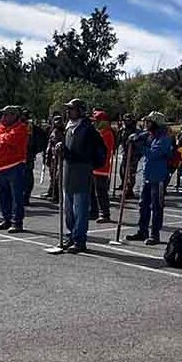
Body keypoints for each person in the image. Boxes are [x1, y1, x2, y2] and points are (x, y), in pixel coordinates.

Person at [56, 98, 106, 254]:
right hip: (68, 170)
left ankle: (79, 239)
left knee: (80, 208)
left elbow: (91, 153)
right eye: (68, 109)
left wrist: (69, 153)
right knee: (68, 208)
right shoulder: (68, 127)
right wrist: (61, 148)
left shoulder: (88, 130)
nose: (68, 112)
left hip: (81, 171)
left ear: (80, 111)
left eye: (72, 109)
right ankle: (71, 235)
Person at [125, 112, 174, 245]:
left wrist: (139, 146)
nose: (146, 125)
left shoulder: (164, 138)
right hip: (147, 175)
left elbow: (153, 154)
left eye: (149, 122)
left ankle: (155, 234)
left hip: (158, 177)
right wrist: (134, 137)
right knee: (143, 204)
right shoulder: (150, 135)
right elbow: (141, 135)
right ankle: (142, 231)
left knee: (156, 206)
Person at [0, 106, 29, 233]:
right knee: (3, 195)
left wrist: (0, 139)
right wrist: (1, 139)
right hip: (1, 167)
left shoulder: (21, 128)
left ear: (14, 116)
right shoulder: (0, 128)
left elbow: (10, 140)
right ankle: (6, 219)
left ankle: (17, 222)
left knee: (16, 196)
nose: (3, 118)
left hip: (15, 166)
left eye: (6, 115)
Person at [89, 110, 116, 224]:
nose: (95, 123)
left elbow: (101, 150)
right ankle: (94, 211)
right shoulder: (100, 133)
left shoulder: (107, 134)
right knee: (93, 191)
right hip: (94, 166)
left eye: (97, 121)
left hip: (102, 167)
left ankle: (105, 213)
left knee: (101, 192)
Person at [22, 109, 47, 206]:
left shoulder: (30, 128)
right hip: (21, 154)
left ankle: (26, 195)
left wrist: (34, 151)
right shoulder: (20, 126)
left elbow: (37, 141)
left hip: (28, 154)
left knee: (27, 176)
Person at [39, 114, 65, 202]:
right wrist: (47, 156)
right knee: (52, 176)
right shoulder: (52, 131)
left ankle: (56, 195)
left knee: (57, 177)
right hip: (52, 157)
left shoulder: (62, 132)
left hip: (59, 157)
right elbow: (50, 145)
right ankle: (51, 192)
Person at [118, 113, 142, 200]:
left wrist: (135, 148)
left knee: (131, 173)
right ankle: (124, 186)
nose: (127, 122)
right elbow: (119, 140)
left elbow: (139, 144)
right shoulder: (123, 130)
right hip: (125, 154)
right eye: (126, 120)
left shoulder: (137, 132)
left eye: (129, 120)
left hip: (133, 155)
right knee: (123, 172)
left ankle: (129, 189)